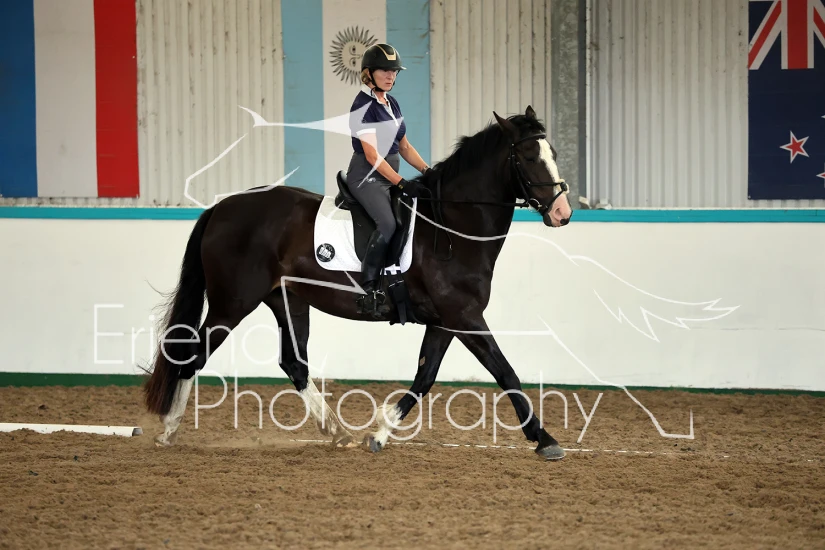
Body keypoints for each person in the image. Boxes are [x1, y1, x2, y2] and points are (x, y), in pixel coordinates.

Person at [346, 43, 430, 317]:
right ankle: (369, 288)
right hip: (367, 177)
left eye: (394, 71)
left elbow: (404, 146)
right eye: (384, 70)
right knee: (388, 223)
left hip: (387, 175)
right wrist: (401, 182)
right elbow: (372, 155)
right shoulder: (362, 105)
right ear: (368, 73)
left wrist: (428, 172)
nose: (390, 75)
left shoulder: (391, 103)